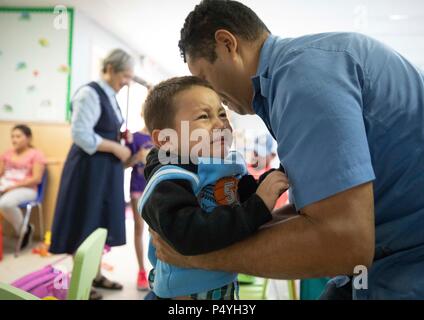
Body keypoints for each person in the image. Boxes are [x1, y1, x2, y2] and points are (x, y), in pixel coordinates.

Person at [151, 0, 424, 299]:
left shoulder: (303, 80)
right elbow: (319, 211)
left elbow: (344, 245)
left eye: (204, 78)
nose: (212, 96)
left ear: (227, 44)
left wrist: (194, 257)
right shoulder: (295, 77)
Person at [138, 76, 289, 299]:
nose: (221, 124)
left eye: (221, 113)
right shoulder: (168, 180)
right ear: (166, 141)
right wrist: (258, 205)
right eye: (203, 116)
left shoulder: (226, 167)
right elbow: (188, 233)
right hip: (185, 293)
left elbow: (247, 200)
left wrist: (274, 178)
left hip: (222, 284)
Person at [49, 49, 134, 300]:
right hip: (88, 169)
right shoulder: (89, 93)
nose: (127, 82)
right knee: (85, 219)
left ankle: (95, 275)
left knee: (101, 221)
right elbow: (81, 135)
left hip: (106, 169)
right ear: (109, 68)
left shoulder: (110, 95)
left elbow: (105, 129)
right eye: (125, 75)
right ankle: (80, 281)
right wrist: (116, 147)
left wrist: (120, 138)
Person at [0, 124, 46, 249]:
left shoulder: (36, 154)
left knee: (5, 204)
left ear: (28, 138)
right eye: (12, 136)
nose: (14, 139)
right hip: (5, 185)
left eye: (18, 136)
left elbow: (37, 179)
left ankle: (24, 230)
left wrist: (13, 186)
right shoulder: (7, 154)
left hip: (27, 189)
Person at [125, 126, 153, 290]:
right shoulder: (135, 138)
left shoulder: (164, 135)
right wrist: (137, 157)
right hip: (137, 188)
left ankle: (158, 271)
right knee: (139, 227)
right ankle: (142, 270)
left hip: (155, 187)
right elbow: (123, 164)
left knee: (156, 230)